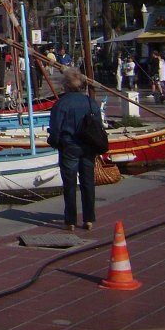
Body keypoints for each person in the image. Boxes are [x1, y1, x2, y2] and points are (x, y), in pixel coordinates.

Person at [47, 68, 97, 232]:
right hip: (88, 145)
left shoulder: (61, 104)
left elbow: (55, 129)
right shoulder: (90, 102)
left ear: (66, 85)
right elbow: (98, 125)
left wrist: (54, 142)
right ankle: (89, 218)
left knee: (69, 184)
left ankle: (71, 220)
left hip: (69, 146)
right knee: (87, 182)